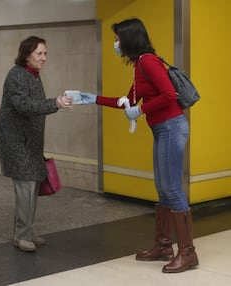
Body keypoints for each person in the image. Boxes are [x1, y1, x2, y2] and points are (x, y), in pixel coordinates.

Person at [79, 18, 199, 273]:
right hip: (162, 129)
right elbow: (128, 101)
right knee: (163, 189)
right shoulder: (139, 65)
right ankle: (164, 246)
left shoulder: (148, 61)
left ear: (129, 38)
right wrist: (93, 99)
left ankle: (188, 253)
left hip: (171, 127)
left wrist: (141, 110)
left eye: (117, 38)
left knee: (172, 188)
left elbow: (169, 95)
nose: (115, 43)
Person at [0, 36, 72, 252]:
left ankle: (26, 230)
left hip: (30, 140)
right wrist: (54, 103)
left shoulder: (34, 75)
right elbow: (24, 106)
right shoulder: (16, 75)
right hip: (15, 140)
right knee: (25, 187)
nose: (44, 58)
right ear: (26, 55)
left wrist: (54, 104)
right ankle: (21, 236)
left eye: (45, 53)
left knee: (33, 184)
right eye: (39, 53)